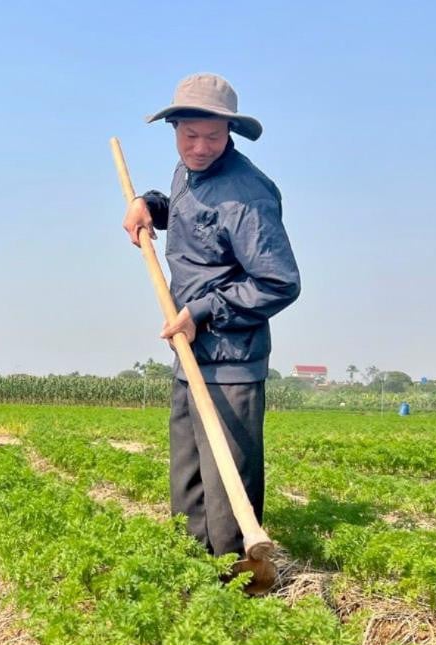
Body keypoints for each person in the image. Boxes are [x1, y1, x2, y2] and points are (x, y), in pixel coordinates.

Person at [122, 74, 301, 560]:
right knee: (190, 479)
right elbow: (188, 216)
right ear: (175, 128)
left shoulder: (247, 195)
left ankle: (237, 584)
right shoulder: (187, 173)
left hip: (230, 361)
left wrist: (201, 311)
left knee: (227, 491)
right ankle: (191, 577)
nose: (200, 148)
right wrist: (148, 205)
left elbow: (279, 282)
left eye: (213, 138)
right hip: (190, 352)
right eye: (190, 135)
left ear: (230, 133)